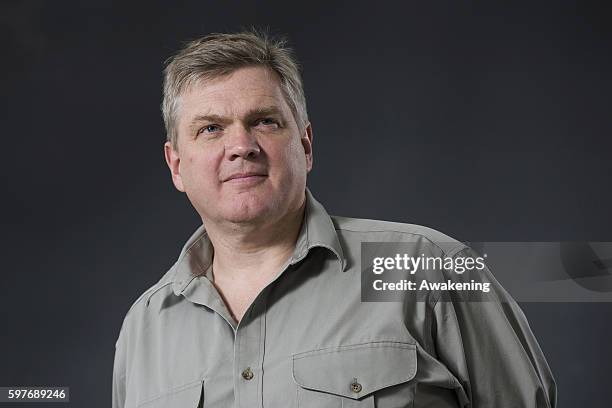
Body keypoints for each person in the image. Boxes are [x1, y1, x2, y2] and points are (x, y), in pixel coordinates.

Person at [112, 30, 557, 408]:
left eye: (265, 121)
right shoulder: (144, 327)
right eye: (211, 128)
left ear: (305, 145)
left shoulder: (427, 266)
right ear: (176, 166)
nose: (241, 145)